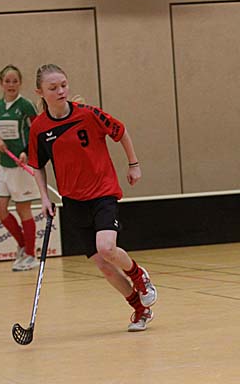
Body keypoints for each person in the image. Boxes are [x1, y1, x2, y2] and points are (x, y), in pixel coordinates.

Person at [28, 64, 157, 332]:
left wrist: (134, 164)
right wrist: (44, 197)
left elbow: (121, 131)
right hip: (73, 200)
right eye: (53, 88)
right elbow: (37, 165)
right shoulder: (39, 128)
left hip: (102, 192)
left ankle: (139, 276)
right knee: (104, 266)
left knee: (107, 248)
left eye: (64, 85)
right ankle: (140, 309)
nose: (61, 91)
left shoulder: (88, 114)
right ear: (40, 92)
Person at [0, 65, 40, 271]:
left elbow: (37, 132)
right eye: (7, 81)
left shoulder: (26, 106)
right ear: (1, 83)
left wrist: (27, 152)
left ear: (20, 83)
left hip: (21, 165)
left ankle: (30, 255)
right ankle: (23, 245)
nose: (11, 85)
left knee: (23, 209)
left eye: (15, 81)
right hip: (4, 165)